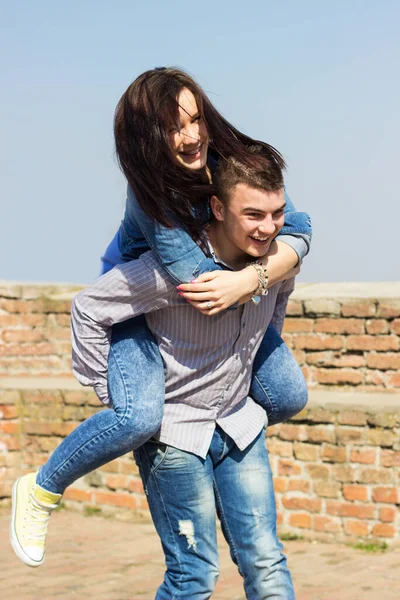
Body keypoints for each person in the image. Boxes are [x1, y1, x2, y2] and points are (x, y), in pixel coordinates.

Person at [10, 67, 311, 570]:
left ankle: (213, 458)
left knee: (288, 394)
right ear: (148, 139)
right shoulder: (151, 194)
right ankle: (41, 489)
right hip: (135, 307)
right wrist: (108, 389)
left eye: (196, 119)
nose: (191, 136)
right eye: (174, 127)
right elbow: (199, 279)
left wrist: (255, 278)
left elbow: (299, 228)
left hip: (223, 292)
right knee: (139, 417)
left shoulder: (232, 162)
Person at [71, 149, 297, 598]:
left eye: (277, 214)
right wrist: (112, 395)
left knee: (266, 561)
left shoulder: (276, 262)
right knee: (194, 575)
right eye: (253, 214)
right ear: (217, 207)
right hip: (175, 436)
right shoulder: (173, 270)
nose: (267, 228)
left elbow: (278, 308)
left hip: (238, 425)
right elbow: (89, 308)